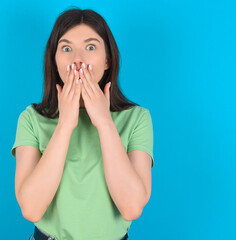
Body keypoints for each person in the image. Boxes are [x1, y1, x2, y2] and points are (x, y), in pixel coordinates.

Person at [11, 7, 155, 240]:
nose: (78, 59)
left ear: (108, 60)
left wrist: (105, 122)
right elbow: (31, 209)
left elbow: (132, 208)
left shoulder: (137, 118)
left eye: (90, 47)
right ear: (54, 61)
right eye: (66, 48)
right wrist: (65, 124)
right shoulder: (31, 119)